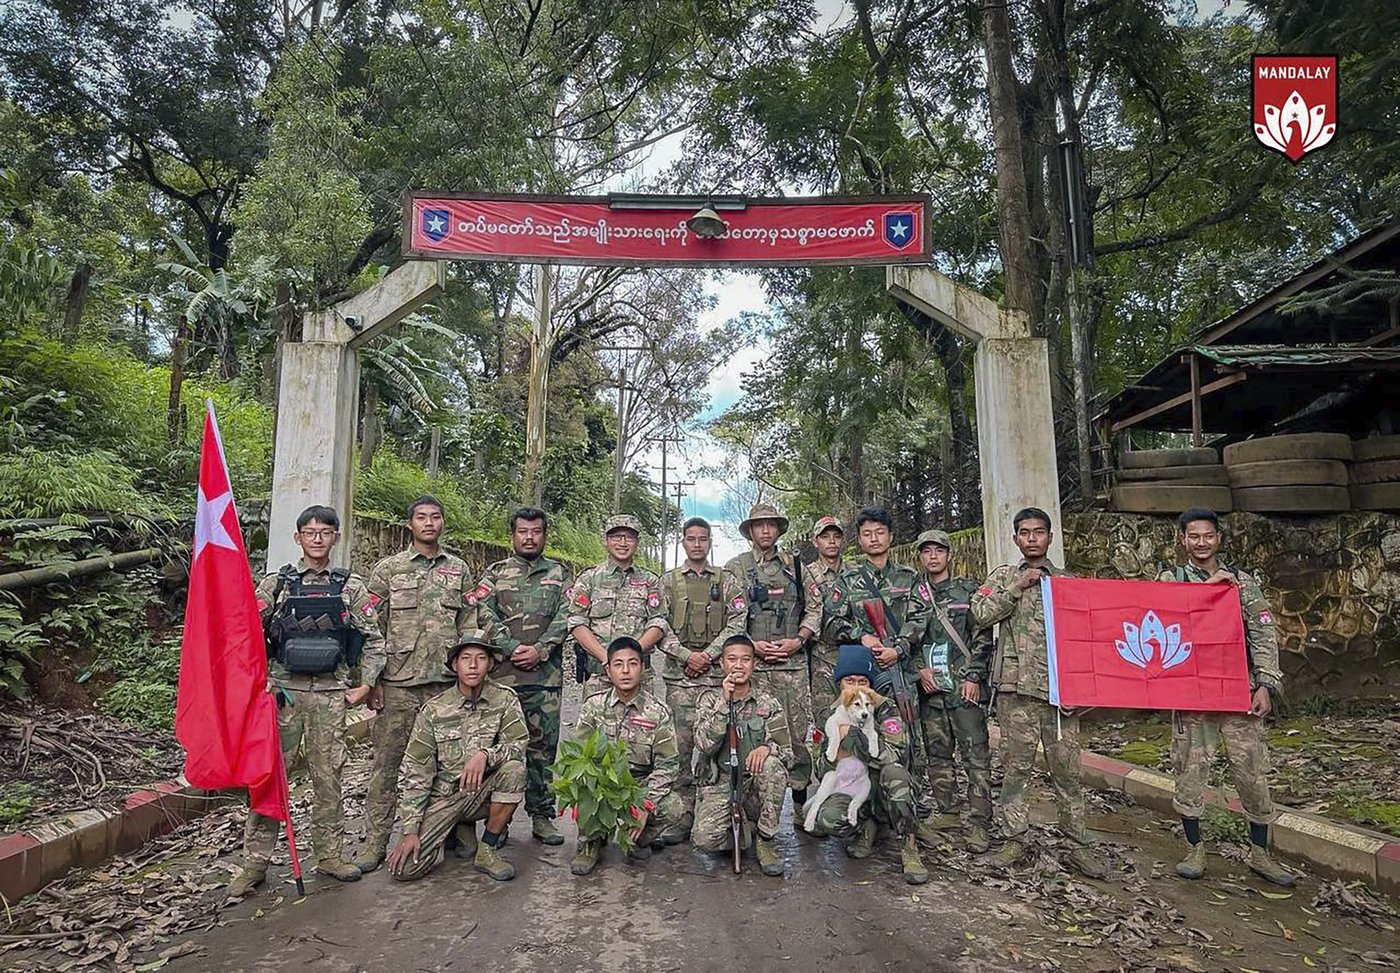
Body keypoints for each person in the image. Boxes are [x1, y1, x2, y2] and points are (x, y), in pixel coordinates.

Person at [228, 505, 385, 898]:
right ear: (297, 538)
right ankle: (254, 863)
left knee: (328, 778)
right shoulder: (276, 584)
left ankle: (329, 855)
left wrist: (365, 685)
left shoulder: (351, 587)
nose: (317, 538)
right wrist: (258, 683)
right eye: (310, 532)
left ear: (336, 537)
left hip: (331, 694)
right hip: (283, 695)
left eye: (325, 532)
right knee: (269, 778)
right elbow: (247, 634)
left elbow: (375, 640)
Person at [1158, 508, 1294, 887]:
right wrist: (1209, 590)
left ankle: (1261, 853)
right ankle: (1194, 848)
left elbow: (1263, 634)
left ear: (1219, 538)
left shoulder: (1243, 584)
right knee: (1189, 771)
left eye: (1208, 536)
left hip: (1239, 692)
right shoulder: (1171, 579)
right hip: (1193, 694)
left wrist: (1265, 683)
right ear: (1182, 540)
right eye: (1193, 536)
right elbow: (1164, 617)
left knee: (1252, 772)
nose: (1201, 543)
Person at [971, 507, 1107, 879]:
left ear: (1050, 537)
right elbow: (980, 614)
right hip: (1017, 691)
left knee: (1068, 772)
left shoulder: (1068, 581)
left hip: (1060, 693)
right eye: (1024, 532)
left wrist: (1084, 689)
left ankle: (1076, 842)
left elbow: (1087, 638)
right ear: (1016, 539)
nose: (1032, 538)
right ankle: (1015, 838)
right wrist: (1018, 587)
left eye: (1039, 532)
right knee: (1016, 769)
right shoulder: (1003, 577)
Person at [356, 496, 472, 873]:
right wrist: (371, 680)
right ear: (410, 524)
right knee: (388, 766)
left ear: (442, 523)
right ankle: (376, 842)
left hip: (445, 685)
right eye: (421, 517)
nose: (428, 523)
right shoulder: (388, 570)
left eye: (435, 517)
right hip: (399, 684)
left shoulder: (458, 570)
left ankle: (450, 831)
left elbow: (469, 625)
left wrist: (471, 675)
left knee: (448, 764)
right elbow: (370, 629)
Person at [385, 630, 526, 883]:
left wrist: (486, 755)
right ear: (454, 665)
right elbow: (416, 770)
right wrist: (410, 830)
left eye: (481, 658)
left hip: (482, 792)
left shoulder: (504, 699)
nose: (473, 666)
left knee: (515, 770)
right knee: (405, 870)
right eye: (465, 659)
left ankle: (487, 849)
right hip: (445, 798)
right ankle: (458, 830)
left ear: (491, 664)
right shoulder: (434, 710)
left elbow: (518, 744)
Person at [471, 506, 572, 846]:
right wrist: (511, 646)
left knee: (543, 750)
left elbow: (568, 615)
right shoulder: (495, 575)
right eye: (523, 531)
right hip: (502, 679)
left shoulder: (560, 574)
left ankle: (542, 816)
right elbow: (482, 612)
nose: (530, 537)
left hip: (545, 679)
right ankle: (497, 823)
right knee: (502, 750)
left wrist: (541, 649)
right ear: (512, 535)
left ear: (545, 534)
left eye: (537, 531)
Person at [724, 503, 821, 821]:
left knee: (794, 735)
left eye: (771, 525)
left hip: (792, 669)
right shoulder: (736, 567)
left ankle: (797, 801)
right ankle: (747, 805)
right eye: (759, 525)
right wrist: (750, 645)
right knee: (747, 733)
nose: (765, 530)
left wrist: (799, 639)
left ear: (779, 530)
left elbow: (815, 607)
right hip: (753, 668)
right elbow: (730, 612)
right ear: (750, 531)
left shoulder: (795, 565)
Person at [657, 517, 748, 838]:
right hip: (679, 680)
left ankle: (715, 813)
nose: (697, 544)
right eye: (691, 539)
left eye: (703, 539)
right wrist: (686, 656)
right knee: (679, 750)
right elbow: (657, 625)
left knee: (717, 747)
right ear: (682, 542)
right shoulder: (668, 582)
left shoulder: (726, 581)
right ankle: (680, 816)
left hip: (715, 681)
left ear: (710, 543)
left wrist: (708, 655)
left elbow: (738, 621)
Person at [807, 644, 928, 885]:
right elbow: (821, 766)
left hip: (883, 783)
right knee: (828, 818)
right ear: (839, 683)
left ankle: (909, 847)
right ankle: (867, 827)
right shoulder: (830, 714)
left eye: (862, 680)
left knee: (896, 775)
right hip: (853, 783)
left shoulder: (885, 707)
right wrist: (835, 756)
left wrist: (853, 738)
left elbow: (895, 755)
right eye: (849, 680)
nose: (856, 686)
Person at [823, 508, 932, 764]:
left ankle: (909, 792)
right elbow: (830, 621)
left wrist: (900, 648)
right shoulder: (848, 580)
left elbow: (921, 617)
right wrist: (862, 636)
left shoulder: (910, 577)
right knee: (864, 731)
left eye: (880, 532)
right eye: (867, 534)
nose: (874, 539)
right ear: (859, 541)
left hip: (902, 669)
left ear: (890, 537)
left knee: (907, 731)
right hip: (866, 674)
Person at [568, 636, 684, 875]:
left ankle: (637, 838)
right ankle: (591, 842)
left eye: (632, 663)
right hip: (603, 783)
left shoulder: (658, 712)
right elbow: (578, 756)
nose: (625, 671)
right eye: (618, 664)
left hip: (638, 785)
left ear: (643, 667)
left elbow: (668, 765)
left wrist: (646, 803)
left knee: (674, 806)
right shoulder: (593, 706)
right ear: (608, 670)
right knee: (583, 785)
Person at [909, 529, 994, 853]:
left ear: (949, 555)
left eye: (939, 551)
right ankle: (948, 811)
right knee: (938, 756)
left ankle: (979, 823)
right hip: (932, 691)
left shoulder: (968, 590)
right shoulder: (915, 596)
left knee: (975, 756)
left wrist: (974, 676)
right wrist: (919, 669)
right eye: (927, 551)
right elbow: (908, 638)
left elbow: (983, 637)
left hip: (964, 690)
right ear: (921, 556)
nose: (933, 556)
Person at [691, 633, 791, 876]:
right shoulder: (709, 700)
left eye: (745, 660)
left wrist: (767, 748)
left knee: (774, 768)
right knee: (704, 839)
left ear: (754, 664)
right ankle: (744, 834)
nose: (738, 665)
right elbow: (704, 745)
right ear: (722, 664)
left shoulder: (768, 703)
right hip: (722, 781)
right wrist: (724, 703)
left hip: (755, 782)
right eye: (732, 659)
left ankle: (765, 841)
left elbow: (788, 753)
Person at [566, 515, 667, 698]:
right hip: (599, 676)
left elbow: (659, 623)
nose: (622, 542)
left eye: (629, 537)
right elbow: (576, 622)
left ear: (637, 542)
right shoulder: (589, 578)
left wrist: (631, 657)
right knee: (595, 727)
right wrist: (607, 659)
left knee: (642, 726)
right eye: (616, 537)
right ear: (605, 541)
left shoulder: (650, 581)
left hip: (640, 678)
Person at [805, 516, 847, 726]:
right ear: (815, 541)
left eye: (836, 536)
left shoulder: (856, 572)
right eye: (825, 537)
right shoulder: (806, 574)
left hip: (853, 653)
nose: (831, 541)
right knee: (826, 719)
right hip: (821, 656)